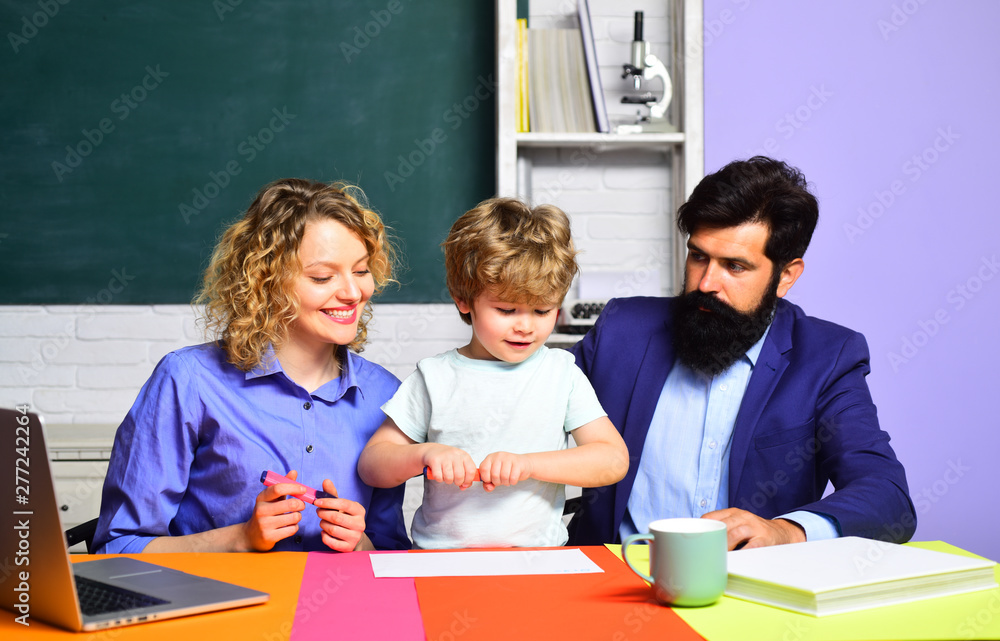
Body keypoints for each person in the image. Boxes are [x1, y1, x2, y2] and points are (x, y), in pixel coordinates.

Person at [568, 156, 916, 550]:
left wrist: (784, 531)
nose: (706, 283)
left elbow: (887, 497)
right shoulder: (621, 329)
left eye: (734, 266)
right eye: (698, 256)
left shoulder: (828, 357)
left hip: (749, 591)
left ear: (786, 275)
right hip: (611, 582)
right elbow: (526, 398)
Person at [93, 178, 410, 554]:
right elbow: (117, 549)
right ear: (266, 281)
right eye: (323, 277)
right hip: (217, 607)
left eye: (360, 271)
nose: (353, 292)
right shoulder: (188, 381)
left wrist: (360, 543)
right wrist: (240, 539)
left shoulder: (385, 394)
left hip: (338, 607)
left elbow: (391, 553)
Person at [358, 198, 629, 549]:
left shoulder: (561, 374)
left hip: (537, 563)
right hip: (440, 562)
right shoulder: (435, 377)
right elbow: (372, 465)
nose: (525, 326)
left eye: (542, 310)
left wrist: (528, 465)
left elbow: (612, 459)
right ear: (463, 299)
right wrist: (423, 454)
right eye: (506, 309)